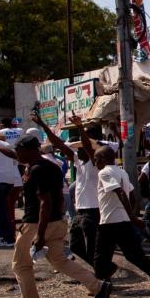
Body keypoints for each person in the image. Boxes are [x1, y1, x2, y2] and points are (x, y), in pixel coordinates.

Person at [7, 134, 113, 298]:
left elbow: (45, 203)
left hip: (37, 224)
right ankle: (98, 286)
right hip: (56, 222)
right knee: (59, 261)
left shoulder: (37, 170)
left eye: (18, 150)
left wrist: (39, 234)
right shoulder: (50, 167)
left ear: (28, 150)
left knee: (21, 266)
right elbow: (58, 199)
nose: (17, 154)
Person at [88, 136, 150, 298]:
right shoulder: (122, 172)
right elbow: (132, 196)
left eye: (96, 159)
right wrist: (131, 215)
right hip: (123, 221)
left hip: (109, 222)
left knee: (99, 260)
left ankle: (101, 297)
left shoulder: (104, 172)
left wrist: (134, 217)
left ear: (104, 159)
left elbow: (120, 192)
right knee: (135, 255)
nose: (95, 162)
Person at [32, 112, 103, 267]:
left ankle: (101, 278)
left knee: (92, 246)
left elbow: (87, 147)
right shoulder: (79, 161)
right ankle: (104, 269)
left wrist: (80, 128)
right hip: (81, 210)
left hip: (94, 209)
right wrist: (43, 124)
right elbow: (59, 144)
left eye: (81, 147)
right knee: (75, 246)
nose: (78, 150)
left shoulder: (95, 161)